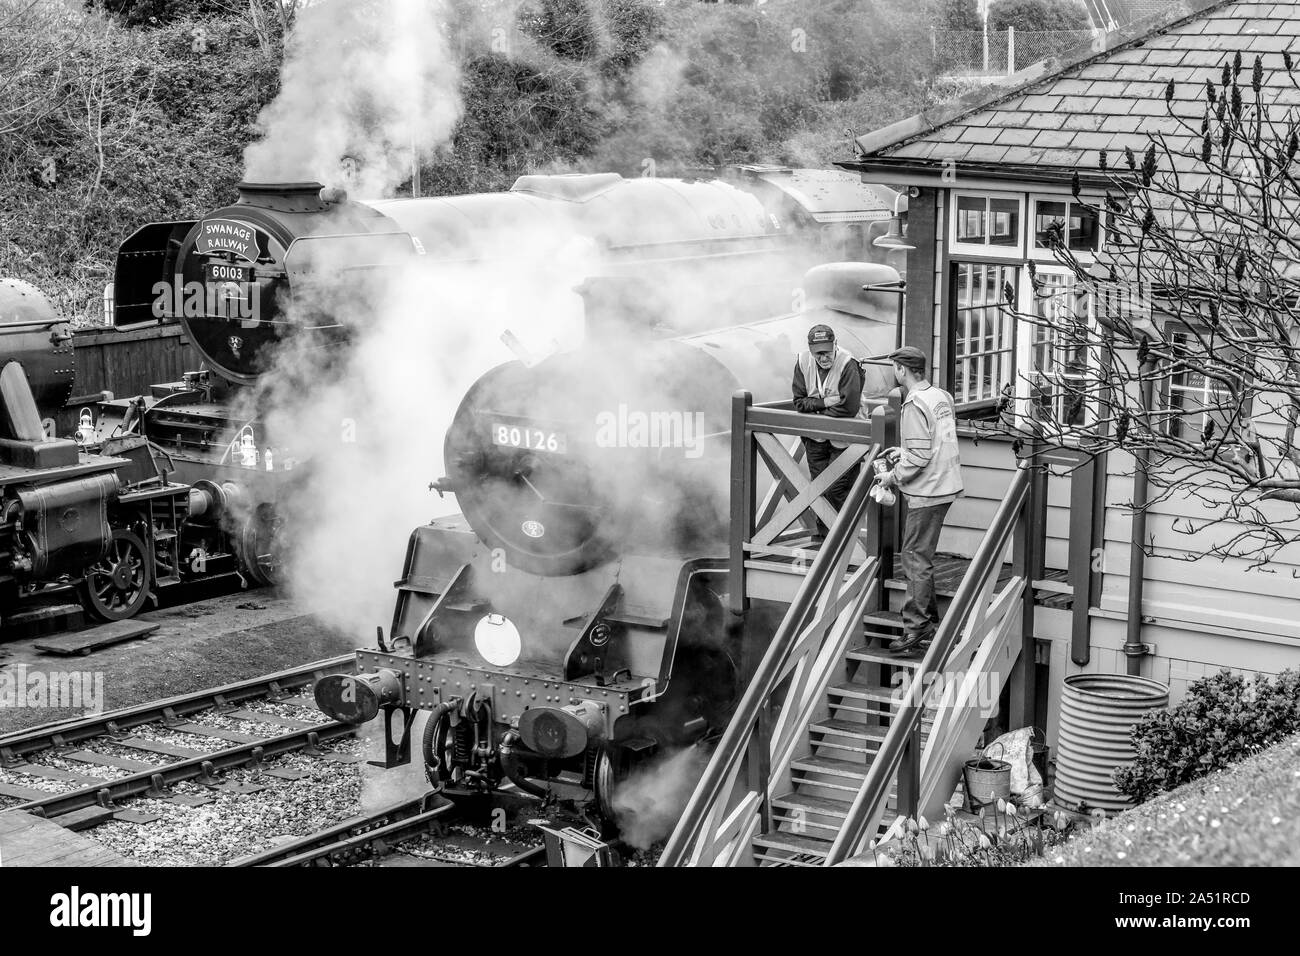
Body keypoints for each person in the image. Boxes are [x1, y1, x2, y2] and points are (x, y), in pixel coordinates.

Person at [874, 346, 963, 653]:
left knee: (913, 556)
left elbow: (921, 457)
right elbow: (935, 442)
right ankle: (931, 619)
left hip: (928, 490)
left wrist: (892, 477)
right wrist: (905, 452)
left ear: (902, 369)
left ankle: (916, 626)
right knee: (921, 554)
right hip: (947, 484)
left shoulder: (913, 404)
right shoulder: (941, 396)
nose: (893, 372)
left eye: (894, 367)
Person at [792, 324, 864, 541]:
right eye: (818, 353)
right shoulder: (803, 361)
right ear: (811, 350)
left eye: (827, 351)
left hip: (845, 439)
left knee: (838, 489)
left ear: (835, 344)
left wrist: (815, 406)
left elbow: (849, 407)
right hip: (815, 438)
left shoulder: (849, 364)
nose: (823, 357)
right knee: (819, 487)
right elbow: (799, 402)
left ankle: (845, 541)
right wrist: (826, 402)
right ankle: (824, 538)